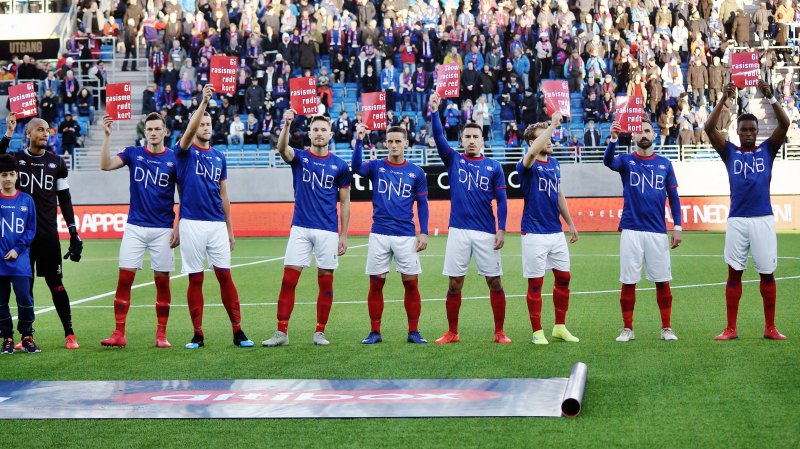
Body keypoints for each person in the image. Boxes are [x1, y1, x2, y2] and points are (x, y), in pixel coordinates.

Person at [705, 81, 790, 341]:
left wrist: (771, 97)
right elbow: (709, 128)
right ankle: (731, 328)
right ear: (738, 132)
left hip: (763, 219)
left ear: (757, 131)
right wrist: (723, 99)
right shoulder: (730, 152)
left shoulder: (768, 149)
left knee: (767, 273)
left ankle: (770, 327)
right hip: (738, 220)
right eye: (744, 130)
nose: (749, 133)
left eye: (753, 129)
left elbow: (785, 125)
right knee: (734, 273)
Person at [174, 84, 254, 349]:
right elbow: (187, 133)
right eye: (202, 123)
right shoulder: (184, 151)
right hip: (191, 223)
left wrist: (230, 230)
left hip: (217, 225)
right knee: (195, 278)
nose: (206, 127)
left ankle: (238, 331)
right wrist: (204, 103)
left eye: (208, 124)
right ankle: (198, 333)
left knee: (225, 276)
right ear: (195, 126)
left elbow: (224, 196)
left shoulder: (219, 157)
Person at [262, 111, 351, 347]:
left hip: (328, 231)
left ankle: (320, 331)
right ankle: (281, 332)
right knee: (288, 280)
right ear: (309, 133)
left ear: (330, 134)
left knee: (326, 282)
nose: (319, 133)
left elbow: (344, 202)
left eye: (324, 130)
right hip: (300, 227)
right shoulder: (300, 158)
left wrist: (343, 234)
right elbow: (282, 149)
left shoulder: (340, 166)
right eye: (316, 130)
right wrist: (287, 124)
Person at [428, 93, 510, 344]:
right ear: (462, 139)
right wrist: (434, 112)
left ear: (483, 140)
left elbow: (502, 201)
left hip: (486, 231)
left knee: (494, 282)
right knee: (454, 283)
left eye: (476, 136)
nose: (472, 140)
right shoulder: (453, 160)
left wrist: (502, 229)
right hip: (459, 231)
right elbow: (440, 137)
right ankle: (452, 332)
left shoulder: (494, 167)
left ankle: (499, 332)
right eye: (468, 137)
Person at [1, 113, 83, 349]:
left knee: (56, 283)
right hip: (21, 240)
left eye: (47, 130)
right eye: (40, 129)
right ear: (28, 133)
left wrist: (74, 232)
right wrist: (8, 133)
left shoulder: (57, 162)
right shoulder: (15, 160)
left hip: (47, 236)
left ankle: (70, 333)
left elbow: (65, 199)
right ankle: (27, 336)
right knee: (24, 288)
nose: (45, 133)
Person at [98, 113, 178, 348]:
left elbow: (183, 196)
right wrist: (106, 137)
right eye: (149, 129)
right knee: (124, 278)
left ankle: (161, 335)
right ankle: (118, 333)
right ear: (145, 132)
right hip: (135, 227)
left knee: (162, 281)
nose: (153, 132)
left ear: (165, 132)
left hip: (163, 229)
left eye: (157, 129)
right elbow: (105, 165)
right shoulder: (133, 153)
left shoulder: (174, 159)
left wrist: (178, 226)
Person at [604, 116, 683, 342]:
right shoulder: (626, 161)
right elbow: (608, 162)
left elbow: (674, 197)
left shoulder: (665, 164)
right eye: (640, 131)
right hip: (631, 229)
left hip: (657, 231)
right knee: (628, 280)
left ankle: (666, 328)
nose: (644, 135)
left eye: (648, 131)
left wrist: (677, 226)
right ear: (634, 135)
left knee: (662, 280)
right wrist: (613, 139)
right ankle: (627, 328)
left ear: (654, 134)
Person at [352, 123, 429, 345]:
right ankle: (374, 331)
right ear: (385, 143)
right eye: (390, 141)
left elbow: (422, 204)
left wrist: (423, 232)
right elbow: (356, 167)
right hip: (379, 233)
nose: (394, 145)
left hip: (406, 235)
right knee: (376, 283)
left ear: (406, 143)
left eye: (398, 141)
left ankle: (413, 331)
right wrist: (359, 140)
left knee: (411, 284)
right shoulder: (376, 166)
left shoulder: (417, 172)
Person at [518, 113, 580, 344]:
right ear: (533, 143)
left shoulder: (554, 163)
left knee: (564, 277)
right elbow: (533, 152)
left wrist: (570, 223)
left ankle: (559, 327)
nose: (550, 140)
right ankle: (537, 331)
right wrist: (552, 124)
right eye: (545, 138)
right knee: (536, 282)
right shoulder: (527, 164)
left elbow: (559, 194)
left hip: (556, 232)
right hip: (534, 232)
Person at [0, 154, 38, 354]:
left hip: (20, 260)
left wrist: (17, 249)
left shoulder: (26, 200)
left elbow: (31, 230)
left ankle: (27, 336)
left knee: (25, 298)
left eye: (11, 174)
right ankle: (6, 337)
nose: (7, 178)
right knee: (1, 302)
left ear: (17, 176)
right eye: (3, 174)